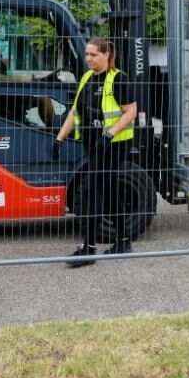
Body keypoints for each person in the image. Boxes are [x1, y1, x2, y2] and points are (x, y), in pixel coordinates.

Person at [54, 37, 138, 266]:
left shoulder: (118, 79)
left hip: (114, 146)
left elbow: (131, 112)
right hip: (93, 145)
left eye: (93, 55)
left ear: (106, 55)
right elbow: (75, 111)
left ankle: (88, 248)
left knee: (92, 191)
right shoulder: (87, 78)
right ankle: (123, 241)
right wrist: (59, 139)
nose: (89, 58)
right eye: (87, 54)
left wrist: (110, 134)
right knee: (109, 192)